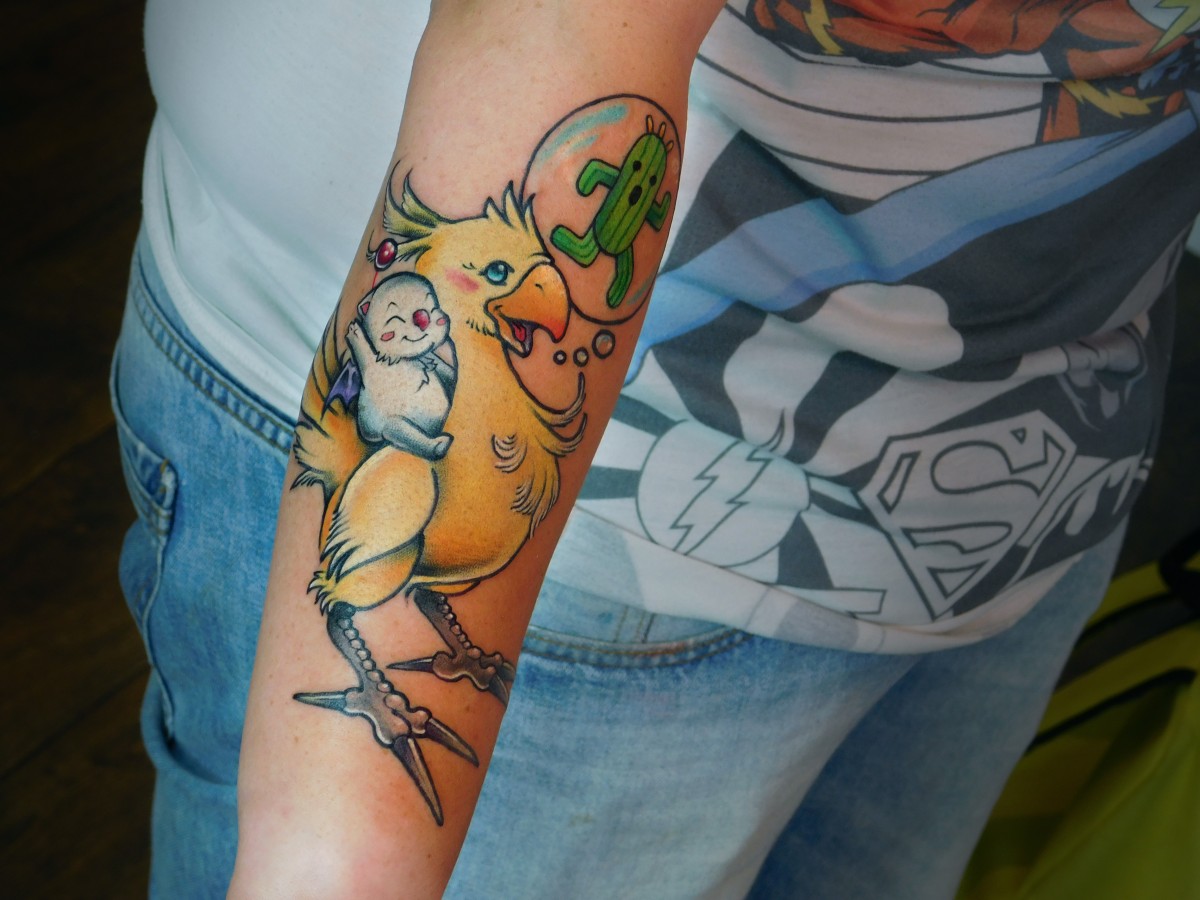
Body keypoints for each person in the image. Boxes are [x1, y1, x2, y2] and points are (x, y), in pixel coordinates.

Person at [110, 0, 1200, 896]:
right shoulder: (415, 451)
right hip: (597, 569)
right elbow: (558, 34)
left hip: (1032, 471)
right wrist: (341, 863)